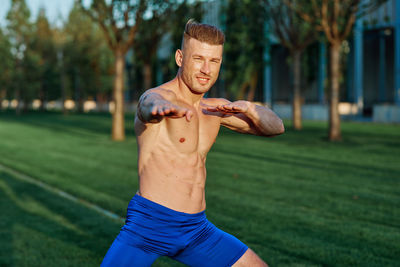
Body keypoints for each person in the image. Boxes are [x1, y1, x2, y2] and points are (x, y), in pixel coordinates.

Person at [101, 19, 284, 267]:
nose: (206, 70)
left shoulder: (214, 109)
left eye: (214, 61)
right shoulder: (161, 97)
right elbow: (147, 104)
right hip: (150, 225)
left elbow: (276, 127)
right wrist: (161, 107)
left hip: (196, 229)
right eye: (198, 59)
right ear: (180, 58)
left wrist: (250, 108)